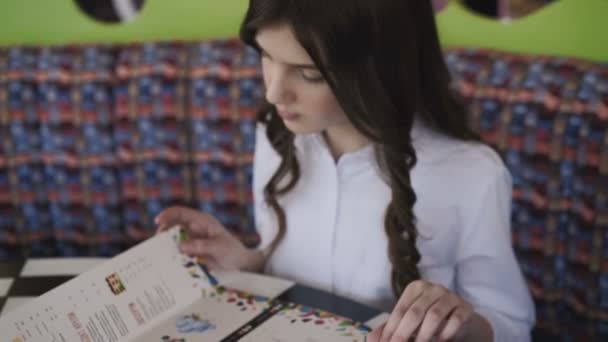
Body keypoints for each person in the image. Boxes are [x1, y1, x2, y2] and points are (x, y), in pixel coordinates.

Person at [156, 0, 536, 340]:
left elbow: (510, 324)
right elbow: (298, 270)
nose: (274, 93)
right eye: (266, 56)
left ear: (377, 68)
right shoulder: (277, 135)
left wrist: (459, 325)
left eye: (308, 74)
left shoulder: (471, 175)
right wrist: (248, 262)